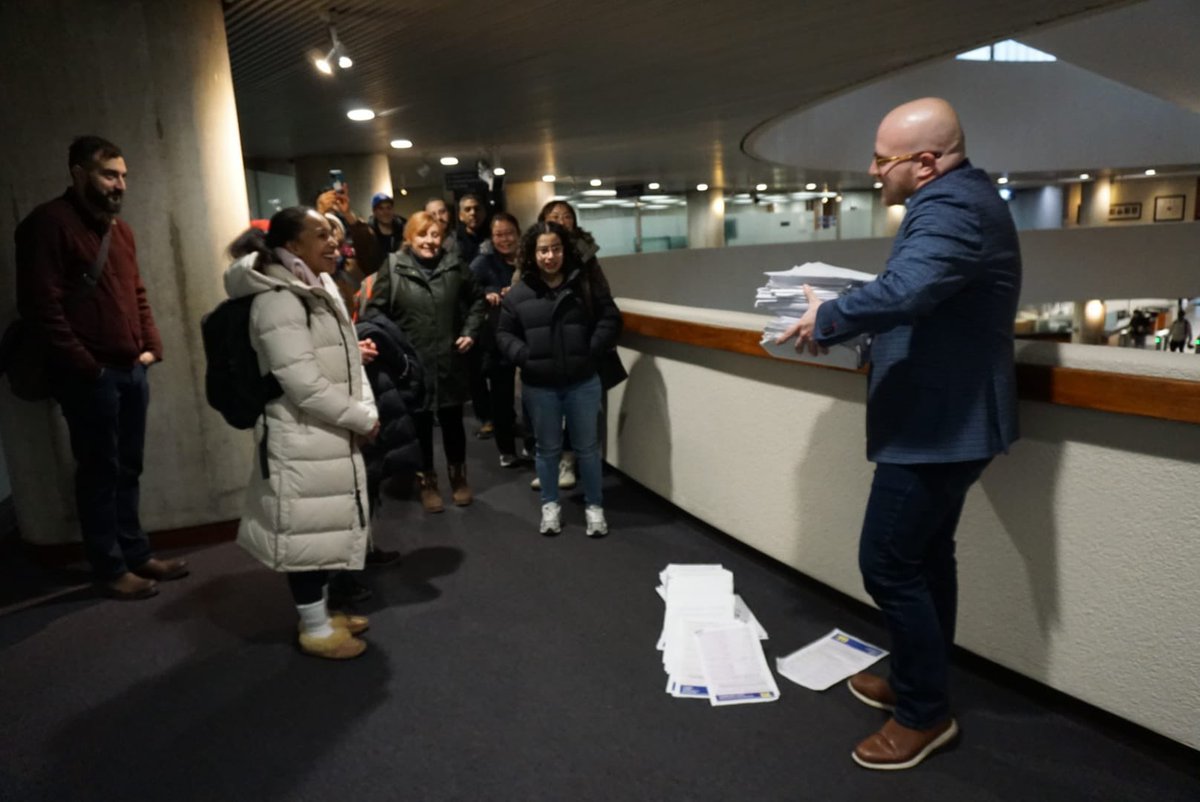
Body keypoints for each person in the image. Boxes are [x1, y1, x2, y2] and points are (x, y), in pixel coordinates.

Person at [777, 98, 1021, 770]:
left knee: (886, 561)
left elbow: (909, 290)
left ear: (925, 162)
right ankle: (920, 681)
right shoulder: (956, 201)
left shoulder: (951, 209)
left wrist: (830, 318)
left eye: (882, 159)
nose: (871, 169)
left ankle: (923, 714)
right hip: (945, 421)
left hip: (940, 426)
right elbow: (926, 301)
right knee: (926, 557)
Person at [14, 135, 186, 600]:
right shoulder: (47, 225)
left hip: (131, 369)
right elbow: (41, 308)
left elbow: (138, 293)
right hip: (90, 377)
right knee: (99, 471)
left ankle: (135, 553)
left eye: (124, 176)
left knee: (128, 466)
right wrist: (88, 368)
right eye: (110, 174)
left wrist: (151, 345)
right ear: (78, 173)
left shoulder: (119, 231)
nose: (120, 184)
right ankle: (110, 567)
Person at [225, 207, 380, 659]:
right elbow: (302, 384)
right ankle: (314, 627)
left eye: (333, 234)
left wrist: (362, 408)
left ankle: (321, 613)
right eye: (320, 235)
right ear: (292, 247)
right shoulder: (278, 298)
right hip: (301, 434)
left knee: (325, 527)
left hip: (328, 430)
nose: (334, 242)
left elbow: (348, 357)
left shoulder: (319, 285)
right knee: (306, 534)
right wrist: (361, 417)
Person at [496, 221, 622, 537]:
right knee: (547, 449)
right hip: (540, 385)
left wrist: (591, 350)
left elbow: (610, 317)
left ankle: (595, 507)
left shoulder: (585, 285)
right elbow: (503, 333)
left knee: (588, 449)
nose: (550, 256)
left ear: (564, 250)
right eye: (543, 250)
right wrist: (525, 356)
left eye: (555, 248)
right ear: (532, 254)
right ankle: (550, 506)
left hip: (582, 381)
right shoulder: (520, 293)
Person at [365, 212, 486, 512]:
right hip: (411, 363)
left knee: (453, 423)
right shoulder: (393, 268)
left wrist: (470, 331)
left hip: (449, 361)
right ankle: (426, 482)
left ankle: (459, 479)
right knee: (419, 425)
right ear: (410, 237)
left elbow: (478, 300)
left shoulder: (455, 264)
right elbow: (375, 314)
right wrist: (394, 348)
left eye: (436, 235)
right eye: (423, 235)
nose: (430, 242)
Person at [469, 213, 522, 466]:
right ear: (491, 237)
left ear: (518, 233)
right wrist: (487, 294)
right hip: (498, 338)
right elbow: (467, 291)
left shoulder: (528, 260)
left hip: (529, 334)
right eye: (499, 234)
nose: (505, 239)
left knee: (534, 394)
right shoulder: (483, 263)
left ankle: (533, 444)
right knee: (502, 396)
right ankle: (507, 449)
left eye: (509, 233)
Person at [444, 192, 489, 266]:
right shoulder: (452, 241)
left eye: (477, 209)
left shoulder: (495, 237)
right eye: (468, 209)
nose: (473, 213)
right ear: (460, 216)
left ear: (484, 213)